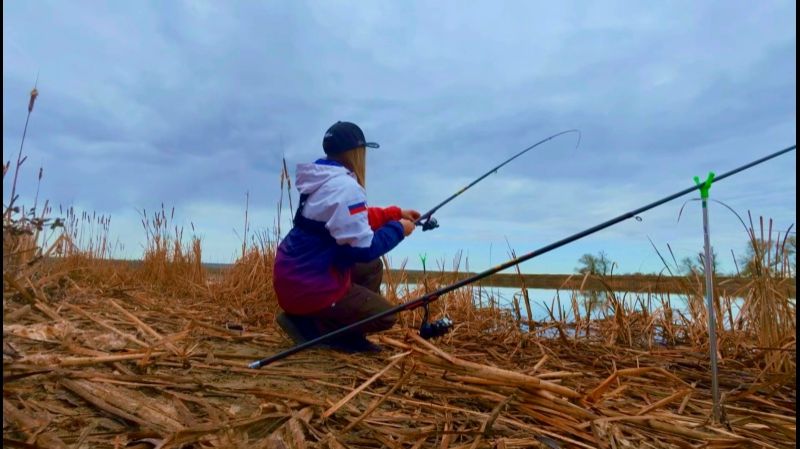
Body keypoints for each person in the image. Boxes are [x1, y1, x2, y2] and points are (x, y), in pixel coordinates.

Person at [273, 121, 419, 352]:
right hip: (309, 285)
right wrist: (400, 229)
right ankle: (325, 332)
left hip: (295, 277)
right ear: (356, 153)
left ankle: (337, 328)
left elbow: (352, 220)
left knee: (371, 267)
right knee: (387, 316)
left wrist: (395, 214)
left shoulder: (323, 180)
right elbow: (364, 248)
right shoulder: (344, 187)